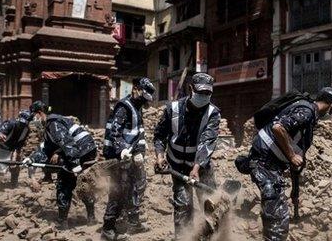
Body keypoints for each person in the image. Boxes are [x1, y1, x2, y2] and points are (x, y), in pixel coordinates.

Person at [246, 87, 332, 241]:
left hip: (269, 164)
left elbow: (297, 160)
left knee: (275, 212)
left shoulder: (309, 119)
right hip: (264, 161)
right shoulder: (307, 111)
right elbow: (278, 128)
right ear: (330, 104)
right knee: (277, 220)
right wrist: (291, 155)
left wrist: (295, 190)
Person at [153, 73, 221, 239]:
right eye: (200, 92)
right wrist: (160, 157)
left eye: (208, 94)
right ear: (191, 89)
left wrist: (196, 168)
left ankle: (212, 237)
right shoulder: (173, 109)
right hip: (177, 166)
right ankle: (184, 237)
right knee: (183, 207)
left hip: (201, 168)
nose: (204, 97)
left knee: (212, 205)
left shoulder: (213, 113)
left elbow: (207, 142)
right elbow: (160, 136)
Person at [26, 101, 97, 229]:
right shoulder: (51, 125)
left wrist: (75, 165)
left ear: (39, 113)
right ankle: (91, 218)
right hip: (85, 149)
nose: (33, 121)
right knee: (83, 183)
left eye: (34, 117)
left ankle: (62, 221)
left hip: (81, 151)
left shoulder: (53, 123)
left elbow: (68, 143)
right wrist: (31, 159)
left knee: (64, 183)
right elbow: (46, 150)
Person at [101, 77, 155, 240]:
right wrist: (122, 149)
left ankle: (133, 222)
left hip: (129, 156)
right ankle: (108, 228)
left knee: (134, 187)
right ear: (136, 89)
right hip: (117, 157)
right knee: (118, 190)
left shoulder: (137, 107)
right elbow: (114, 132)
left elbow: (138, 132)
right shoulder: (124, 107)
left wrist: (140, 149)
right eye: (143, 97)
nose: (145, 102)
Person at [0, 110, 32, 186]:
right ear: (18, 119)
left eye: (24, 124)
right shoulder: (11, 124)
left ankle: (14, 182)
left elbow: (19, 146)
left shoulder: (26, 130)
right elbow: (0, 135)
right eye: (20, 123)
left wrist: (14, 157)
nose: (21, 126)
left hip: (7, 145)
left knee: (16, 162)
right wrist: (0, 135)